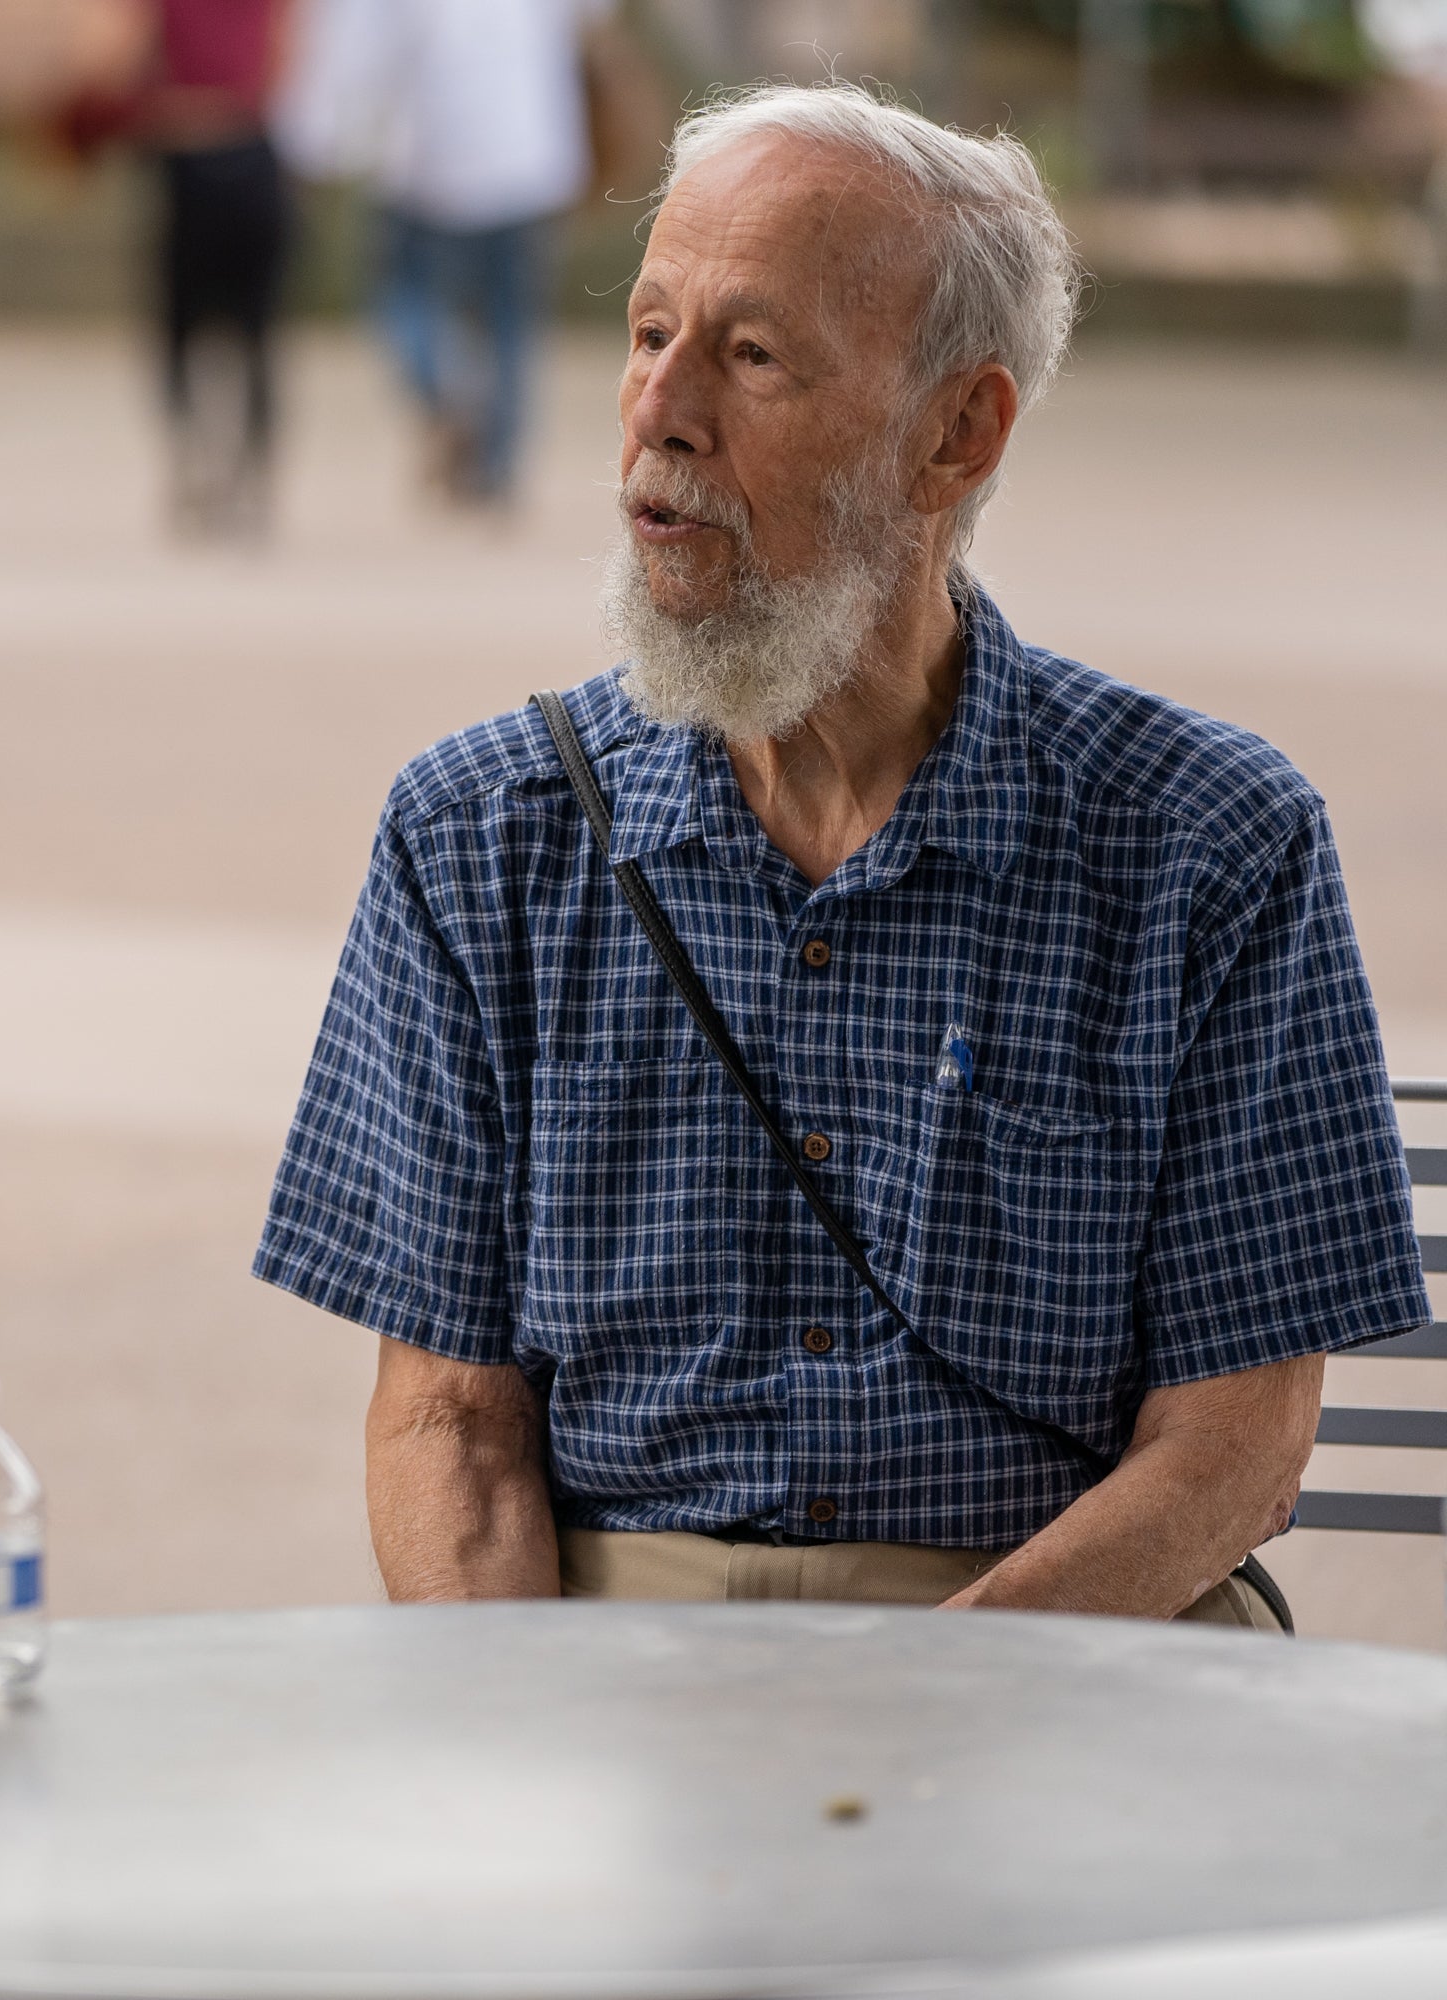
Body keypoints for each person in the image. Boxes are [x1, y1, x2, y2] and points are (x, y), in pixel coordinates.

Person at [255, 83, 1427, 1626]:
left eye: (751, 356)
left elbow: (1236, 1449)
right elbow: (447, 1430)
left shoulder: (1207, 844)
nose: (660, 412)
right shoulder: (478, 835)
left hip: (1065, 1647)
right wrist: (513, 1758)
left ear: (958, 434)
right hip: (611, 1654)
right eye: (648, 330)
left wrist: (915, 1730)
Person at [276, 0, 610, 508]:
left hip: (426, 164)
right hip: (528, 158)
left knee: (405, 297)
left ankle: (444, 392)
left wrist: (315, 145)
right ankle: (494, 467)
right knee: (511, 321)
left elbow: (355, 49)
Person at [133, 0, 296, 539]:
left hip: (190, 158)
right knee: (257, 335)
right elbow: (287, 56)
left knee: (183, 330)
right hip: (252, 151)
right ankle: (248, 469)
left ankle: (200, 455)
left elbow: (116, 55)